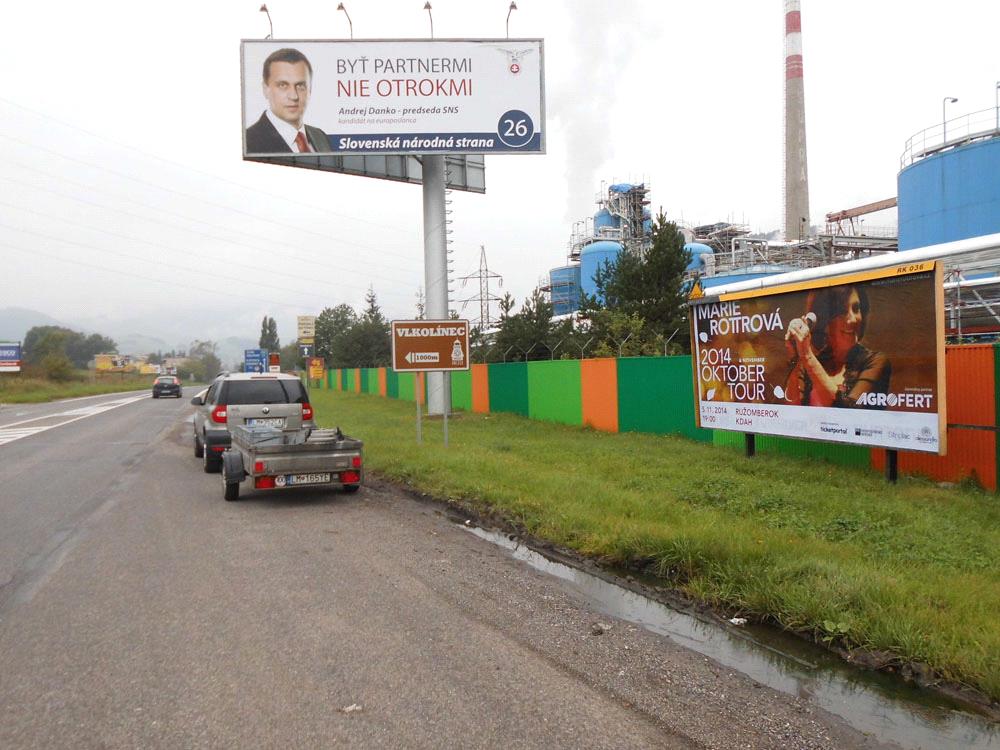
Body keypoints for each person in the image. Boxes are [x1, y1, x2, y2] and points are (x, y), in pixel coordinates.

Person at [783, 285, 890, 407]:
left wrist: (807, 356)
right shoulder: (808, 363)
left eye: (856, 309)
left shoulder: (876, 361)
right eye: (843, 312)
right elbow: (792, 409)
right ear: (825, 320)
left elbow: (849, 413)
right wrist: (797, 357)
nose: (853, 319)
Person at [245, 48, 329, 154]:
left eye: (300, 86)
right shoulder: (248, 142)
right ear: (265, 89)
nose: (294, 96)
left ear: (310, 90)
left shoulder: (321, 137)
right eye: (283, 85)